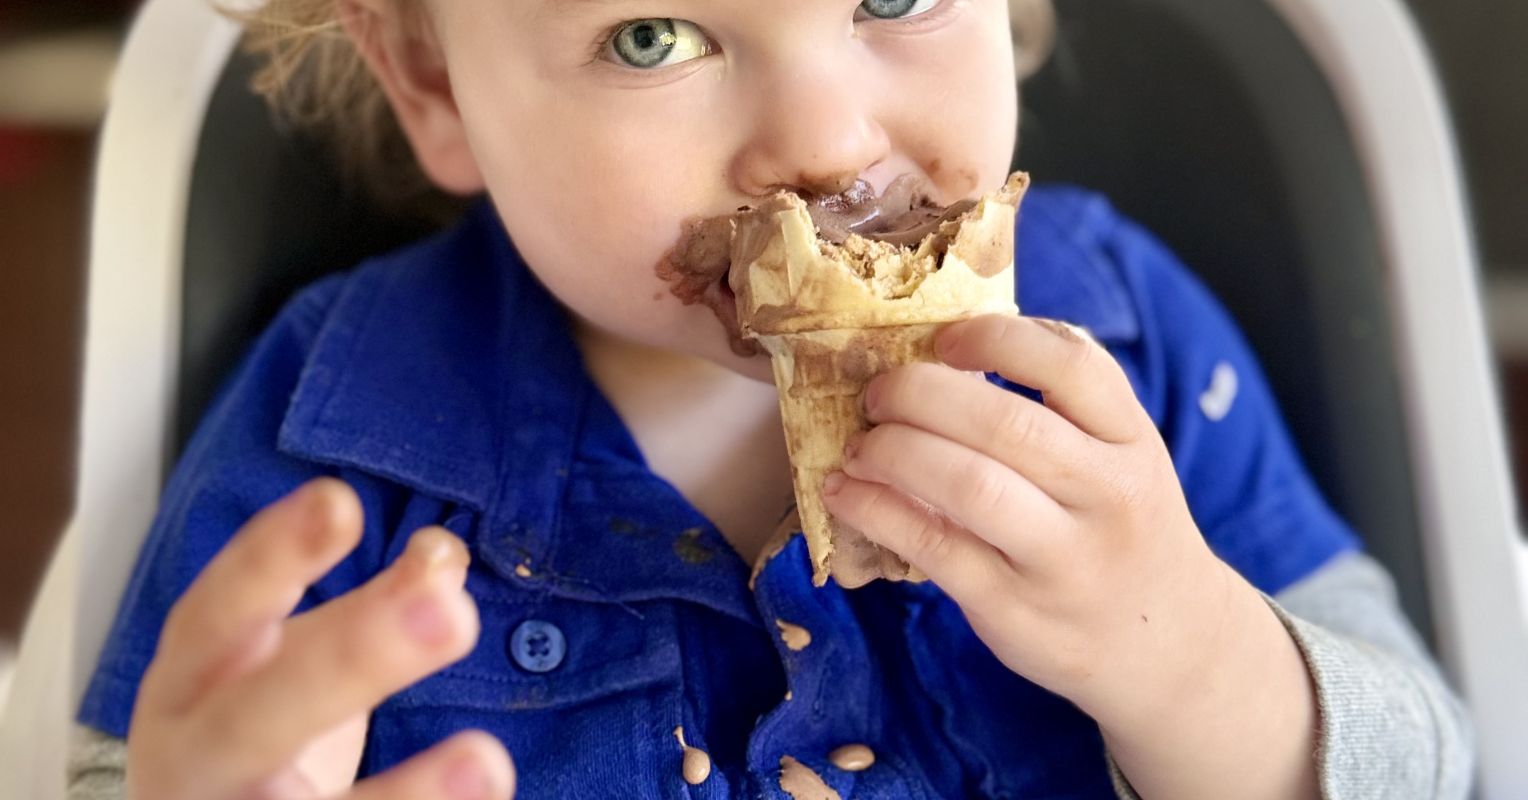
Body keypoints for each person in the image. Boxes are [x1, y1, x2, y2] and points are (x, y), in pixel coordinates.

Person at [66, 1, 1473, 798]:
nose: (825, 142)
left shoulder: (1123, 347)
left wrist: (1194, 665)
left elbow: (1438, 762)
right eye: (651, 37)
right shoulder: (340, 435)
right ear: (436, 83)